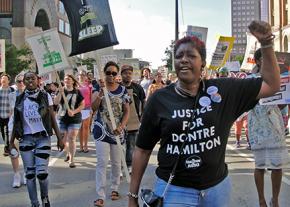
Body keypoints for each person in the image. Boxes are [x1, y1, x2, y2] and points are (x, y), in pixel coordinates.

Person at [128, 21, 281, 207]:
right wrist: (132, 196)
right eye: (179, 56)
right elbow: (142, 150)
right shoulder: (159, 99)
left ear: (203, 64)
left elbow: (272, 85)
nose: (183, 59)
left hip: (217, 190)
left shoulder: (224, 90)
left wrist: (266, 43)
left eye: (191, 55)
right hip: (174, 191)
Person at [9, 71, 64, 207]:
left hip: (42, 138)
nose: (29, 81)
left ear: (37, 80)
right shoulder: (20, 98)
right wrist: (10, 143)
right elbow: (16, 121)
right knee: (29, 174)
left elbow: (52, 117)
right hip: (26, 139)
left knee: (42, 173)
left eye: (32, 78)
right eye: (26, 79)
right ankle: (34, 203)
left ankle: (45, 198)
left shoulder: (45, 96)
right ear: (24, 82)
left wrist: (59, 138)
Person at [248, 48, 290, 207]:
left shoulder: (280, 78)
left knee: (277, 166)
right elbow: (245, 101)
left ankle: (275, 199)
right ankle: (261, 199)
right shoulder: (250, 79)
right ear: (258, 61)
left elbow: (282, 102)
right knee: (260, 165)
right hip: (257, 125)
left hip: (275, 125)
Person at [91, 61, 130, 207]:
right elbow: (93, 108)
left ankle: (114, 188)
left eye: (114, 73)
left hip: (117, 132)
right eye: (108, 73)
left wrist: (121, 126)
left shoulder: (123, 90)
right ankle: (100, 195)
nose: (111, 76)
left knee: (116, 162)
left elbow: (127, 111)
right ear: (104, 73)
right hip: (101, 131)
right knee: (102, 162)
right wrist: (100, 94)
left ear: (117, 75)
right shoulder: (98, 87)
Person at [54, 74, 85, 168]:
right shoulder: (61, 90)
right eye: (65, 79)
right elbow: (55, 102)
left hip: (74, 119)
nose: (67, 80)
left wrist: (74, 111)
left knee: (71, 138)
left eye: (69, 79)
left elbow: (82, 105)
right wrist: (60, 92)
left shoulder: (77, 92)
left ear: (73, 81)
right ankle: (68, 152)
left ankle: (72, 159)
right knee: (63, 140)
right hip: (62, 118)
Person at [120, 65, 146, 173]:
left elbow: (144, 101)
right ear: (121, 74)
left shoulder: (137, 87)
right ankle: (120, 166)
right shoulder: (117, 87)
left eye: (129, 73)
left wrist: (144, 115)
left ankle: (129, 165)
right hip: (119, 121)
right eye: (125, 73)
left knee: (131, 145)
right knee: (120, 146)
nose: (127, 75)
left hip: (134, 121)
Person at [8, 74, 26, 188]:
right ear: (16, 82)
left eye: (23, 81)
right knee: (14, 152)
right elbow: (10, 111)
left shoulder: (31, 94)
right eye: (19, 81)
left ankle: (25, 174)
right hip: (14, 126)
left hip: (27, 127)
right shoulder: (11, 95)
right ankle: (16, 175)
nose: (21, 83)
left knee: (26, 152)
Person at [78, 70, 92, 153]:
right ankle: (81, 146)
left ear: (86, 76)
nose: (82, 76)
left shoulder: (89, 85)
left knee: (86, 127)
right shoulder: (75, 85)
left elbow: (90, 97)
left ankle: (86, 145)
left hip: (87, 107)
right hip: (79, 108)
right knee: (80, 128)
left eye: (83, 74)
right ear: (78, 76)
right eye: (80, 74)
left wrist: (91, 108)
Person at [0, 73, 15, 156]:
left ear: (8, 81)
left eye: (5, 79)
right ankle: (8, 145)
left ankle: (7, 148)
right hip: (0, 115)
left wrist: (12, 111)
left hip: (9, 115)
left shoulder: (12, 90)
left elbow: (14, 102)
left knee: (7, 132)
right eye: (2, 79)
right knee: (2, 131)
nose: (3, 80)